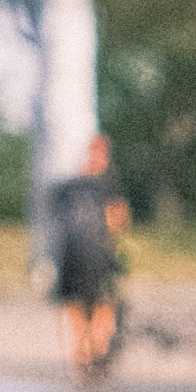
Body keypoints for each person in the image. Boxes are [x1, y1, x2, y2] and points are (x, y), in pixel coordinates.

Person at [41, 138, 125, 378]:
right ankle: (93, 352)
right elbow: (117, 221)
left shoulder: (65, 186)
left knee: (77, 303)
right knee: (101, 303)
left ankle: (83, 356)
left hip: (71, 252)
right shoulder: (106, 186)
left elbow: (55, 221)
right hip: (96, 252)